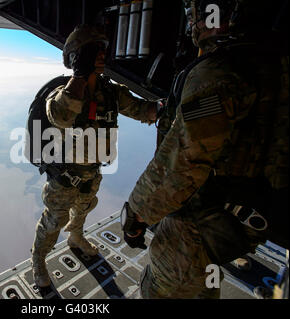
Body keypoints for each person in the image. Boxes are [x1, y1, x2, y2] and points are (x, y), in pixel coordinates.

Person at [124, 0, 289, 298]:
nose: (193, 23)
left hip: (204, 221)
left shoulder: (218, 74)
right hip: (248, 219)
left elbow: (185, 158)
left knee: (158, 291)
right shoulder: (275, 62)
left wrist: (136, 213)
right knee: (206, 283)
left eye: (197, 14)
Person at [31, 24, 158, 288]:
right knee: (54, 220)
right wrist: (80, 74)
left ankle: (76, 238)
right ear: (78, 56)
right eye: (93, 51)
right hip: (64, 176)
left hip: (92, 172)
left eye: (102, 50)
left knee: (84, 210)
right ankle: (39, 261)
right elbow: (61, 115)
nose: (102, 55)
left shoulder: (111, 92)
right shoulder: (62, 92)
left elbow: (142, 109)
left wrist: (164, 108)